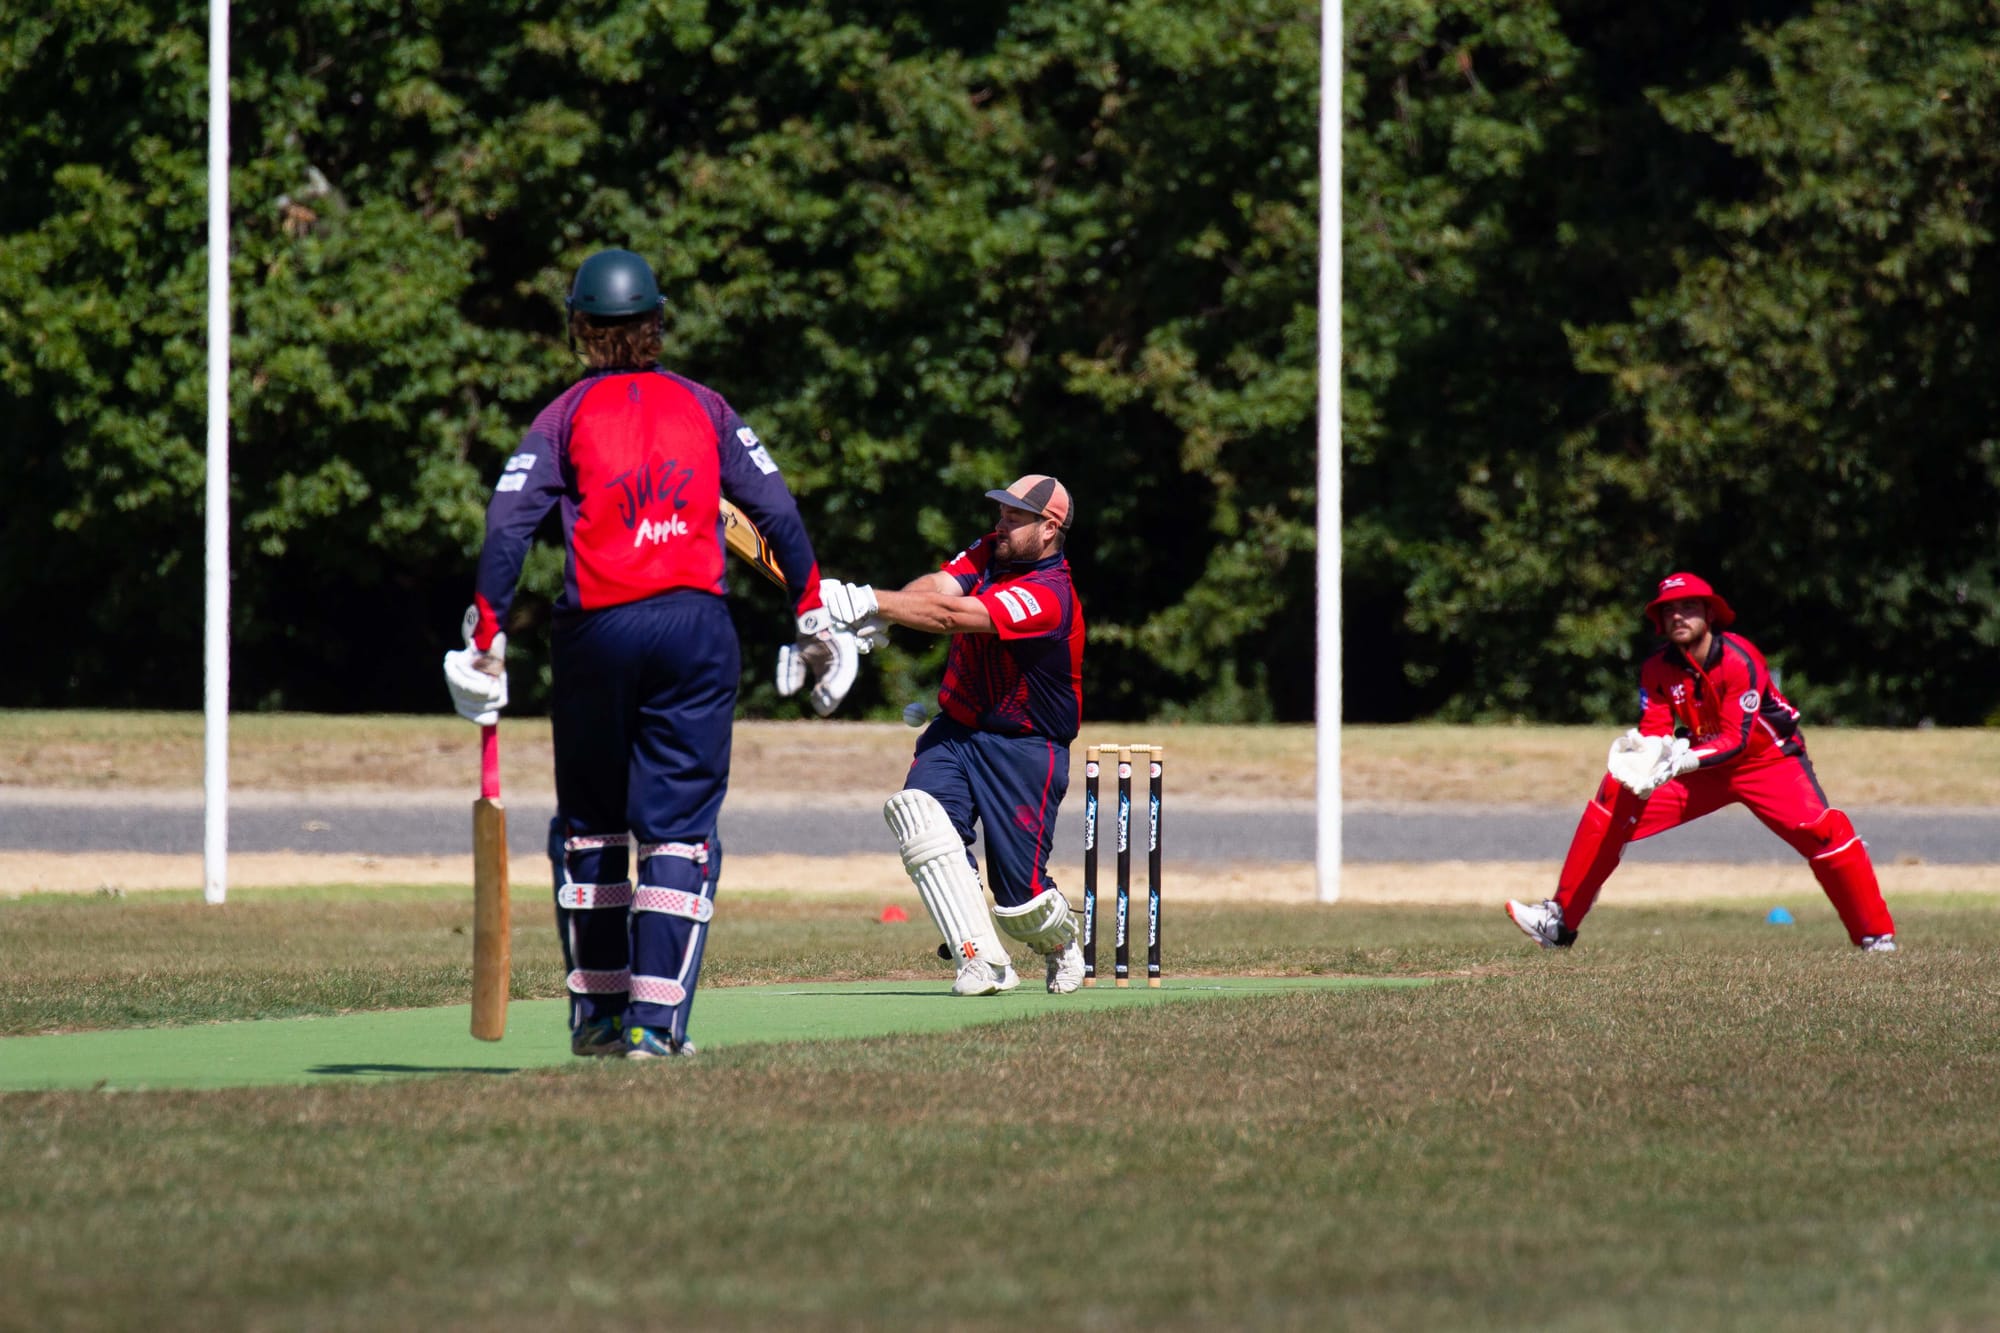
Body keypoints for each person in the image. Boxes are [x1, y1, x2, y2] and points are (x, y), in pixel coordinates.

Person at [442, 248, 857, 1060]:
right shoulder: (706, 406)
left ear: (581, 329)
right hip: (693, 631)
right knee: (677, 832)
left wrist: (486, 632)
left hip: (595, 632)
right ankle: (652, 1027)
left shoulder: (561, 418)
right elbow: (774, 505)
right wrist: (810, 609)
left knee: (593, 827)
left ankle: (598, 1020)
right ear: (656, 324)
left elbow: (507, 526)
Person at [1506, 571, 1898, 953]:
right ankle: (1559, 921)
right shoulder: (1657, 668)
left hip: (1768, 761)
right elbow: (1657, 728)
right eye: (1669, 610)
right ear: (1659, 621)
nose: (1678, 616)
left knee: (1822, 832)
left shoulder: (1740, 659)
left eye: (1689, 607)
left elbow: (1736, 739)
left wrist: (1682, 760)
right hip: (1699, 767)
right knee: (1616, 794)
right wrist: (1645, 753)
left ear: (1710, 614)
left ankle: (1875, 937)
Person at [819, 475, 1089, 995]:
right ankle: (982, 962)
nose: (1001, 524)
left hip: (1027, 747)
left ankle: (1060, 943)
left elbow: (952, 616)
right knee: (920, 815)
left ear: (1049, 528)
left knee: (1021, 901)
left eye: (1016, 517)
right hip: (958, 730)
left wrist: (868, 601)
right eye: (1002, 513)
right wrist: (890, 615)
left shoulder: (1050, 595)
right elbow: (938, 589)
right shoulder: (992, 552)